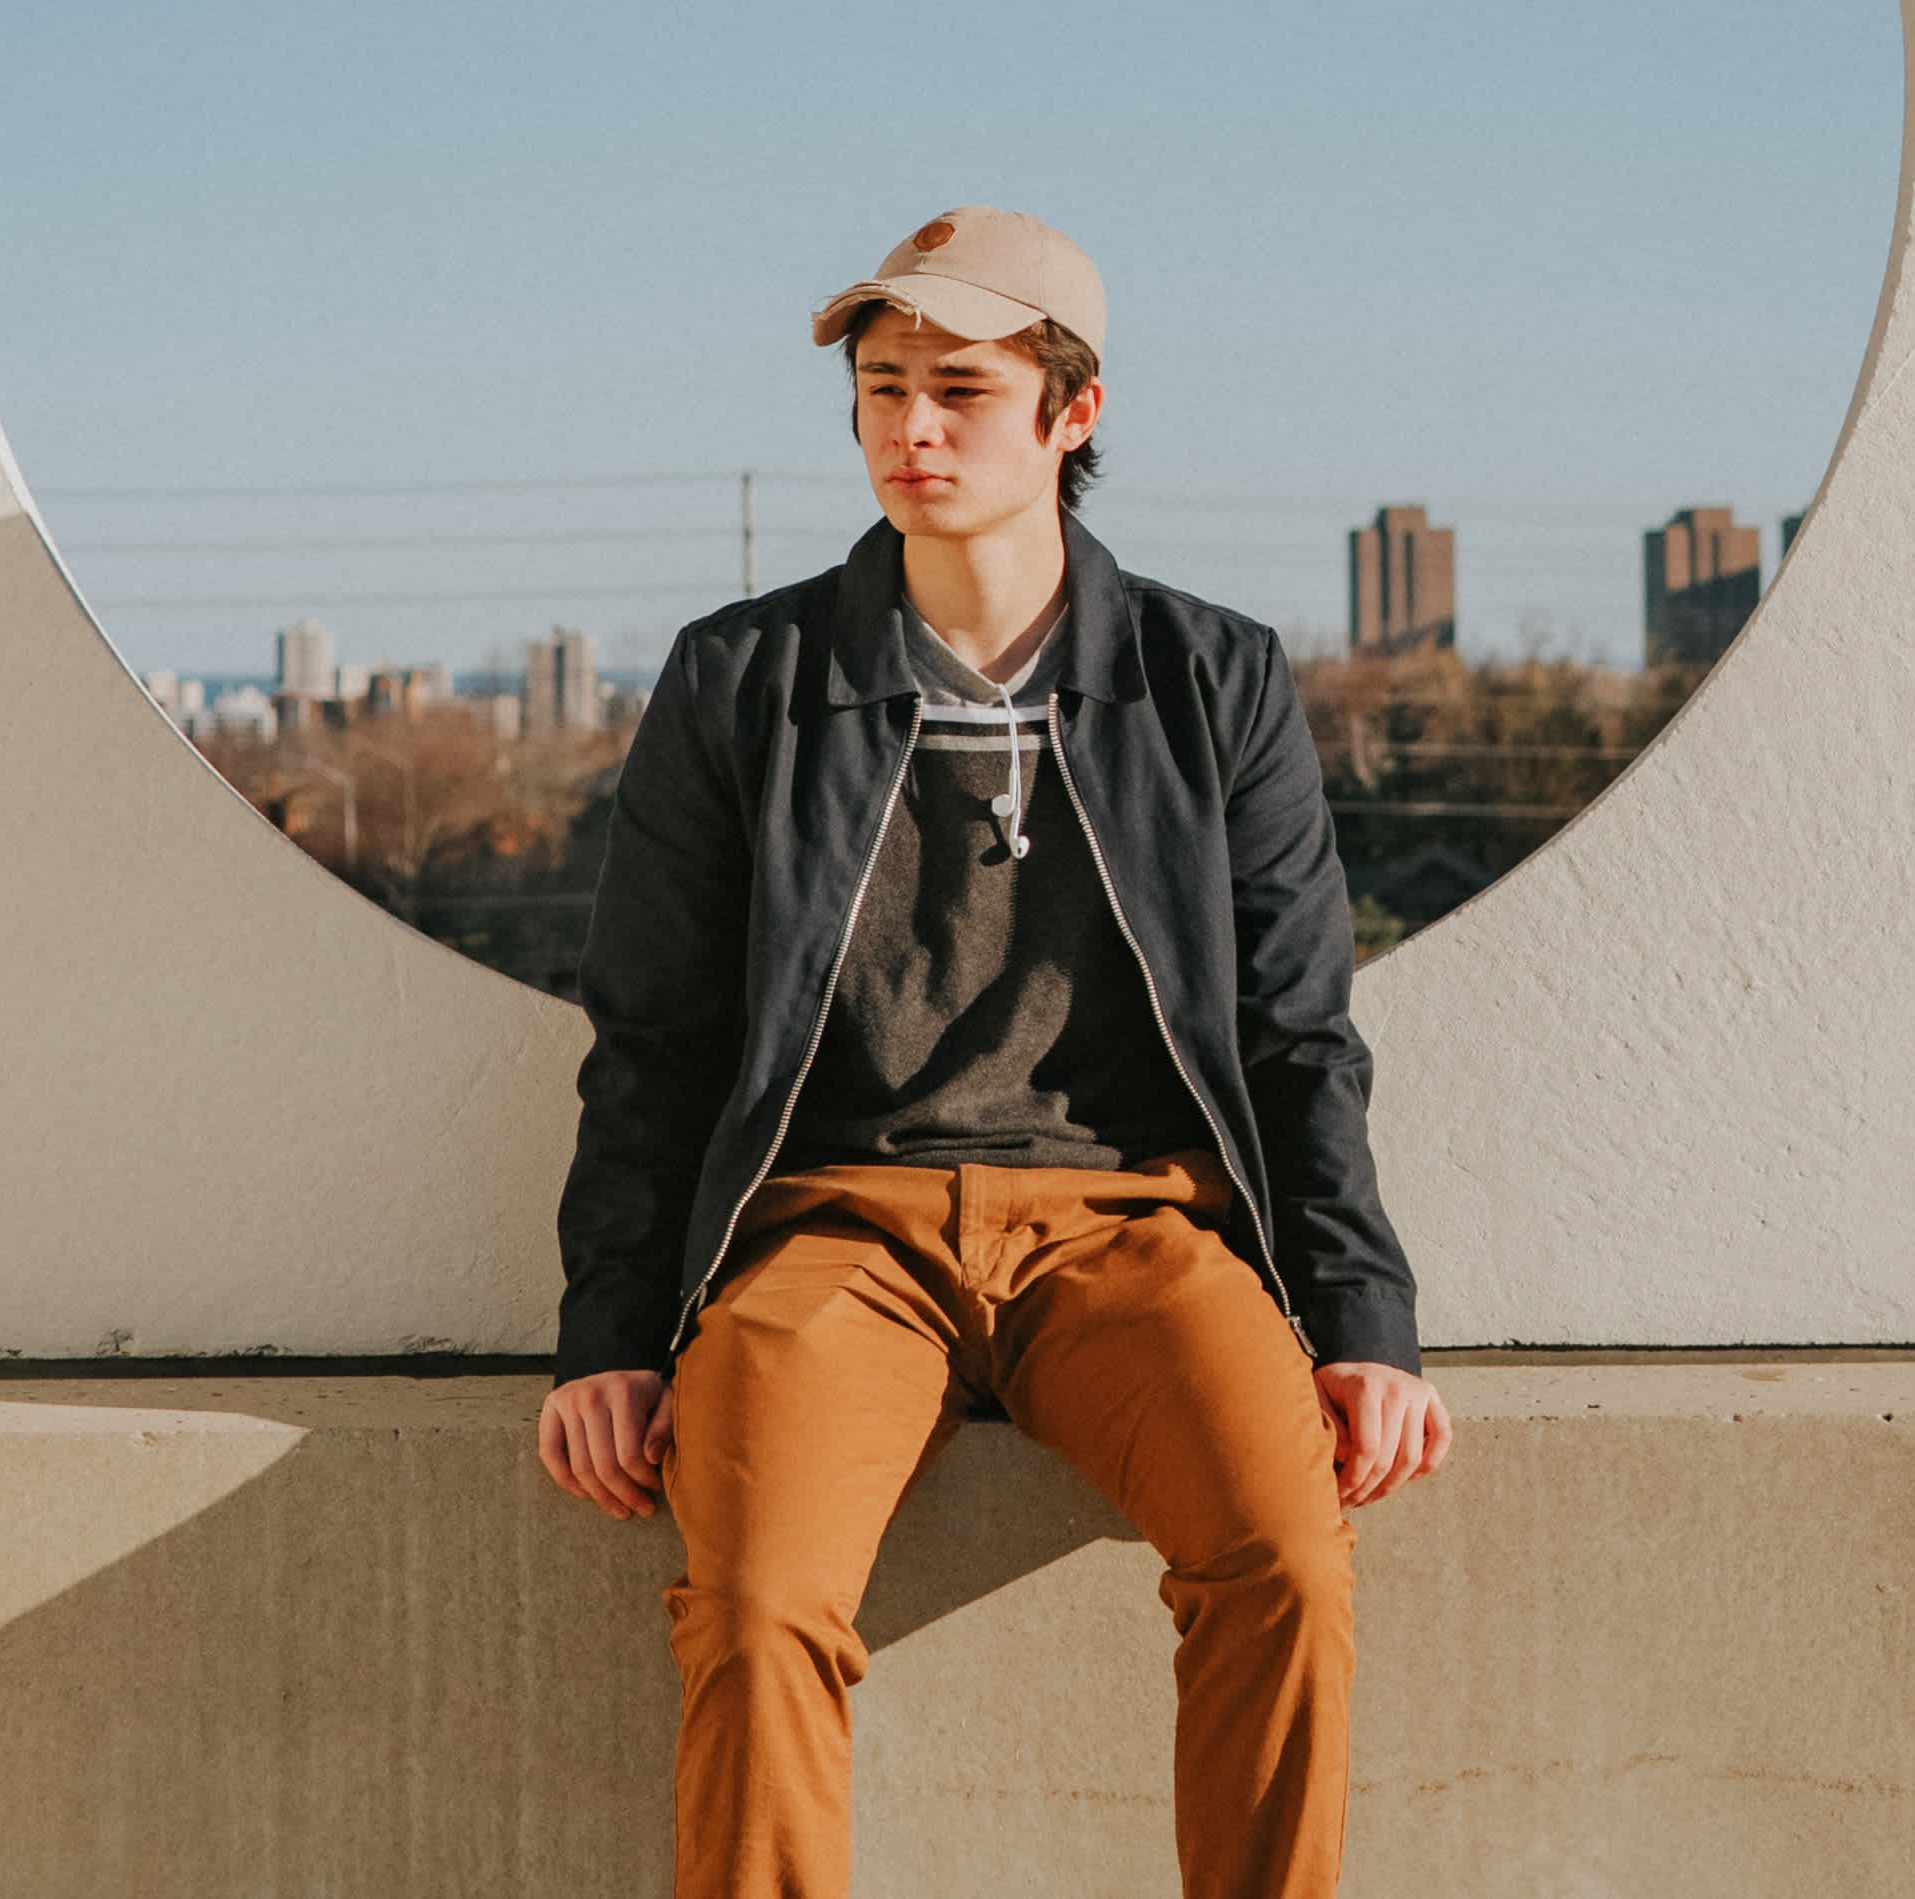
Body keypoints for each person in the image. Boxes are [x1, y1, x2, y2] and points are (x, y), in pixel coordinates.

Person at [538, 203, 1452, 1899]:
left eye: (958, 387)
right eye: (882, 389)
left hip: (1134, 1230)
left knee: (1289, 1565)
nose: (911, 429)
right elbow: (651, 1041)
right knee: (752, 1608)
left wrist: (1363, 1321)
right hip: (834, 1235)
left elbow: (1297, 1030)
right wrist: (608, 1333)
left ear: (1072, 414)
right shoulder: (747, 678)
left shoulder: (1210, 680)